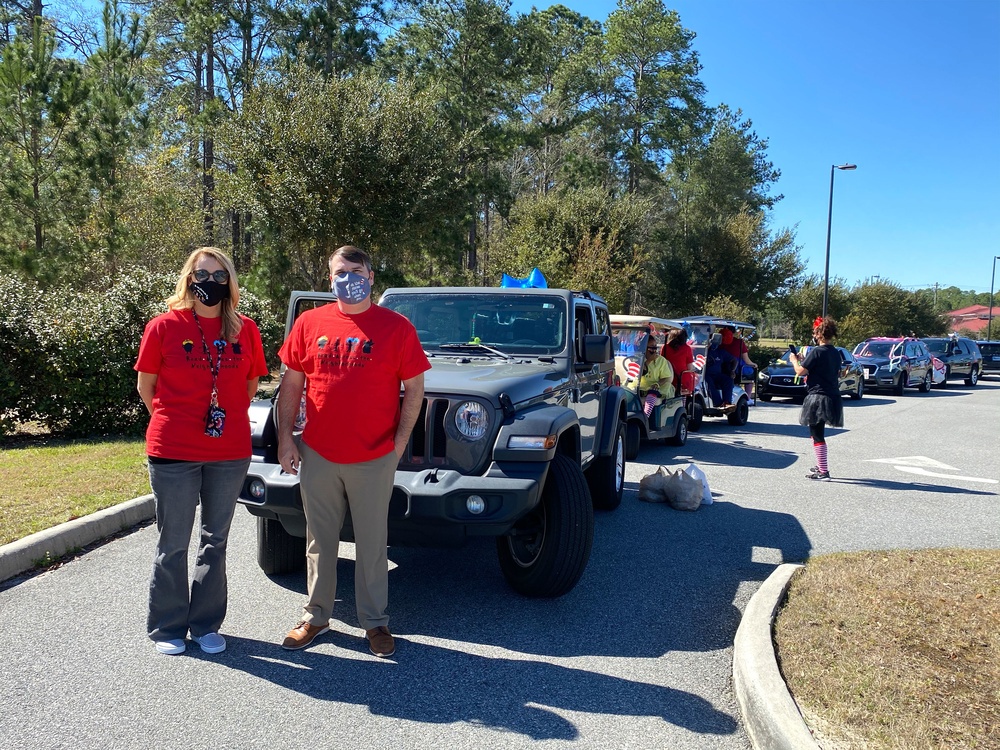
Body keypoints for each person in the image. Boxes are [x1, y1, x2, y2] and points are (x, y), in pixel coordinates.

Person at [277, 245, 430, 658]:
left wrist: (398, 445)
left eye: (356, 271)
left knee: (372, 542)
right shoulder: (310, 323)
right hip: (319, 454)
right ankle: (316, 616)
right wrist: (286, 437)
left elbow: (415, 389)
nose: (349, 278)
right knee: (319, 541)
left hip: (374, 457)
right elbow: (291, 384)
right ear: (330, 279)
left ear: (371, 276)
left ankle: (375, 622)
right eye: (340, 272)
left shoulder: (396, 327)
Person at [136, 247, 269, 656]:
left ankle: (206, 624)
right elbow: (147, 387)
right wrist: (175, 420)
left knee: (216, 539)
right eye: (201, 273)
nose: (209, 281)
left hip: (228, 452)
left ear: (229, 282)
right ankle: (167, 627)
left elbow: (248, 387)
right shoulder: (162, 327)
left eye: (219, 274)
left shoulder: (244, 329)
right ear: (188, 279)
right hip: (173, 450)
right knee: (172, 542)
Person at [788, 317, 844, 481]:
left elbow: (800, 372)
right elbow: (822, 369)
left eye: (815, 332)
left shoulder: (817, 351)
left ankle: (824, 471)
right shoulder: (835, 352)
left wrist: (794, 361)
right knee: (817, 432)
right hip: (832, 395)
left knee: (817, 433)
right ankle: (820, 465)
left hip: (818, 397)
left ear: (819, 334)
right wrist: (802, 361)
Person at [626, 333, 674, 418]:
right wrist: (647, 361)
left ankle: (645, 417)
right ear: (645, 347)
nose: (654, 349)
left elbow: (666, 378)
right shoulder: (638, 359)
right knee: (624, 390)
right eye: (652, 347)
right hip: (640, 385)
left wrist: (657, 384)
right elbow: (638, 373)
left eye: (655, 346)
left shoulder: (661, 360)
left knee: (653, 392)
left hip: (656, 386)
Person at [720, 325, 757, 404]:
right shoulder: (739, 342)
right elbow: (747, 360)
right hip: (735, 368)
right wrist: (754, 364)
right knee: (751, 373)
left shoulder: (719, 342)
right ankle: (748, 398)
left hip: (720, 366)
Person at [704, 332, 738, 412]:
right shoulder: (704, 350)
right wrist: (707, 348)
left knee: (728, 379)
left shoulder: (721, 352)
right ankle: (718, 403)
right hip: (705, 375)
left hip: (717, 375)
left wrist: (732, 371)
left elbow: (734, 360)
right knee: (708, 381)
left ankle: (726, 403)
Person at [661, 327, 695, 398]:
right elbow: (690, 368)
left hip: (668, 379)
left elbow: (662, 362)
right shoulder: (687, 348)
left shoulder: (665, 347)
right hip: (682, 381)